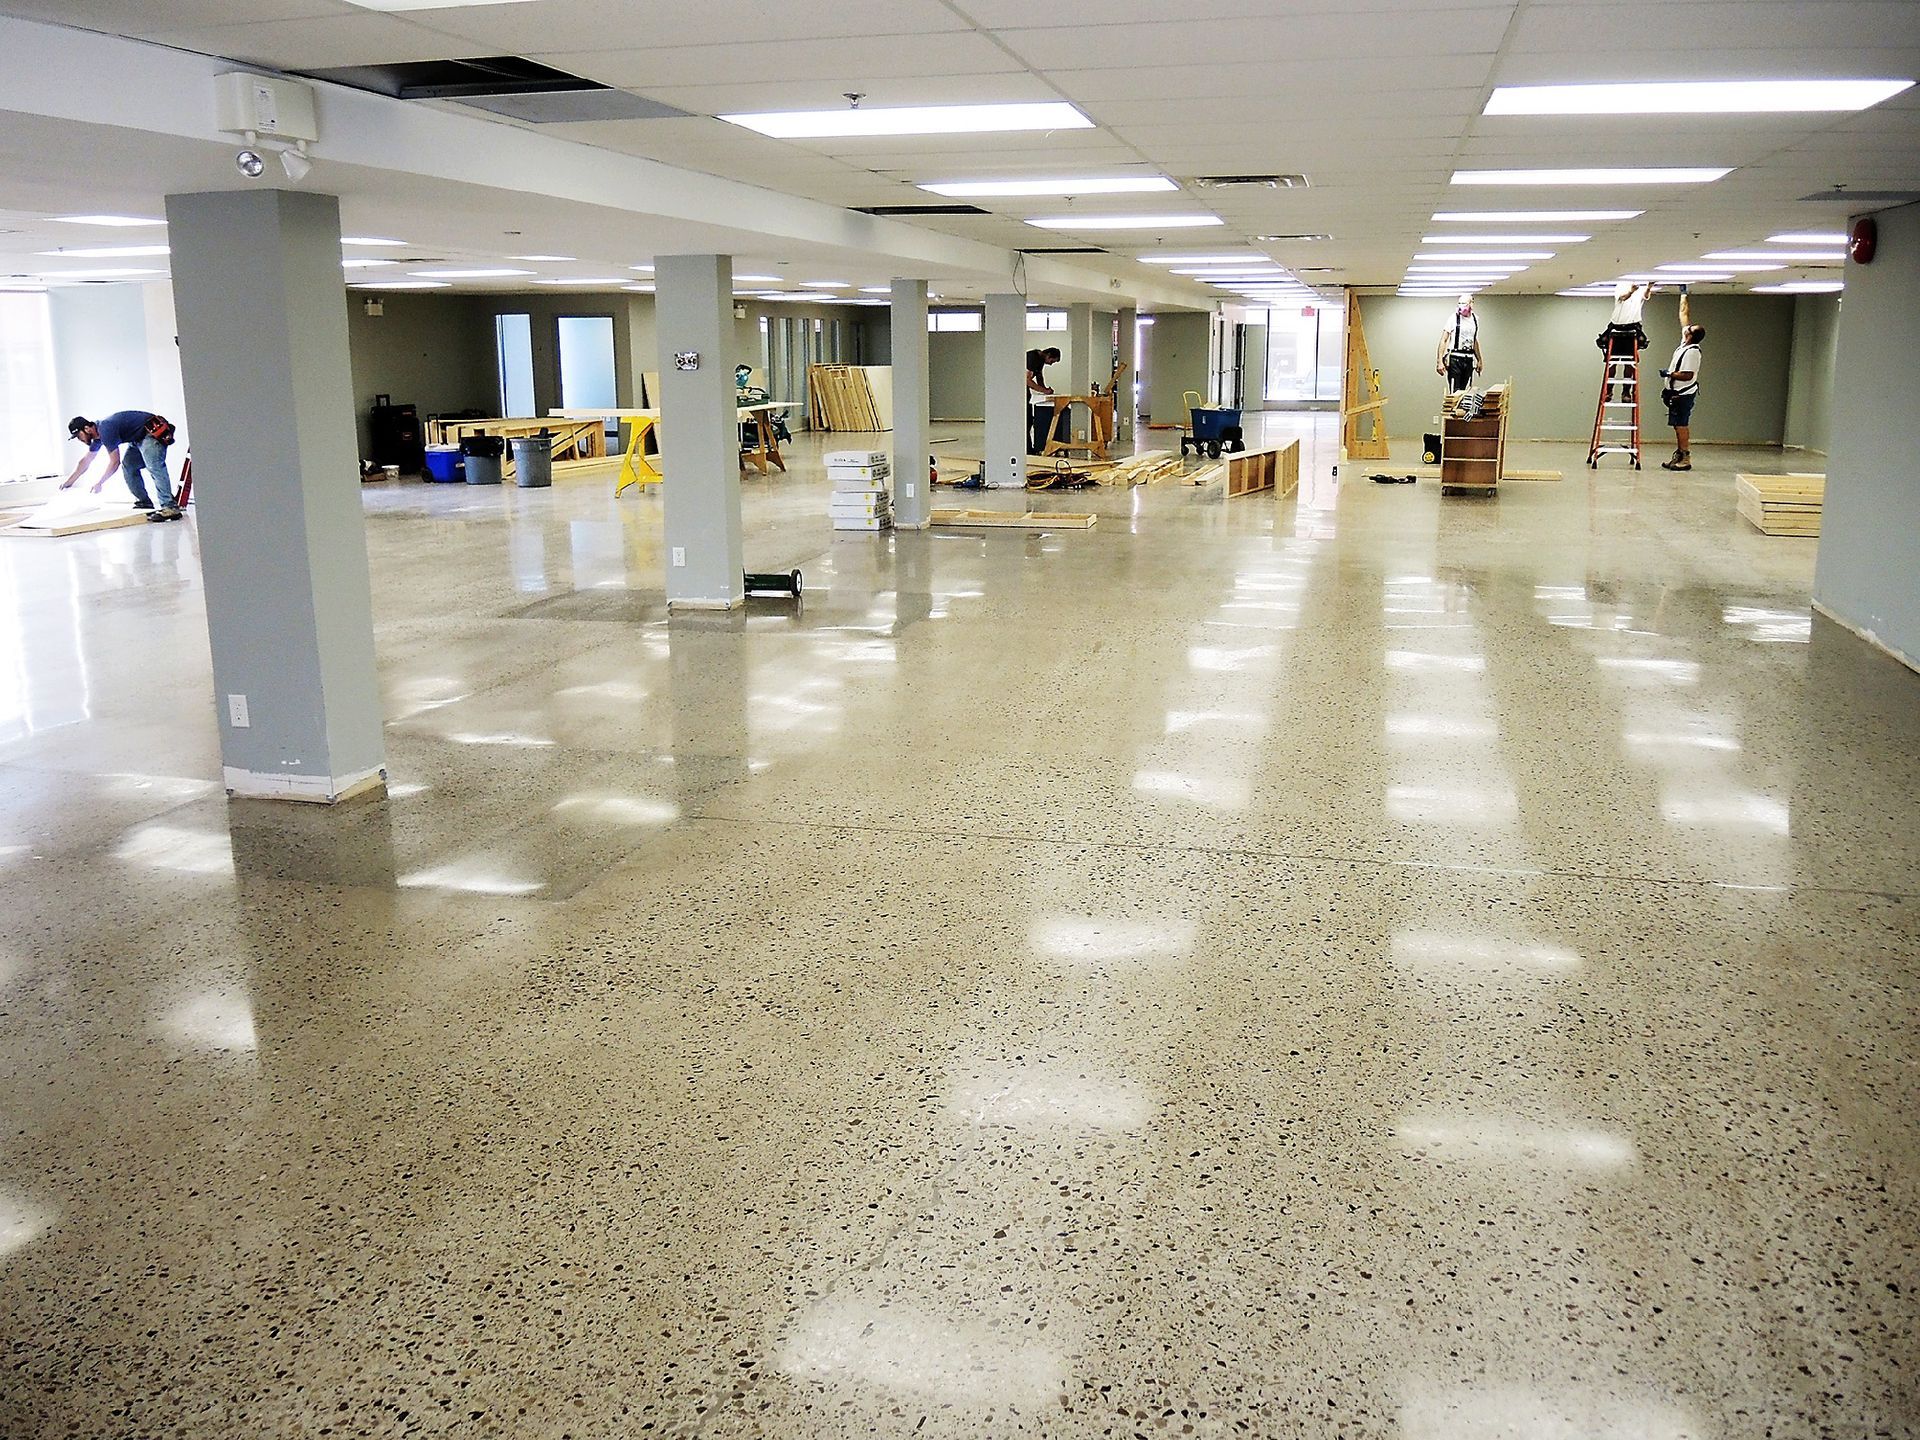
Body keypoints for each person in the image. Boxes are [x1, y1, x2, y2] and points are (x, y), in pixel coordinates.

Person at [61, 411, 182, 520]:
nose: (79, 439)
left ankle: (169, 507)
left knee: (154, 466)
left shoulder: (105, 430)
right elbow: (86, 460)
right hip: (137, 439)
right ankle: (144, 503)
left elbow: (114, 462)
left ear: (87, 429)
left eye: (78, 436)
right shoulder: (98, 437)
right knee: (129, 466)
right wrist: (69, 482)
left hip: (150, 432)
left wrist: (100, 483)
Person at [1659, 295, 1705, 472]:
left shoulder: (1693, 352)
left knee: (1681, 425)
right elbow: (1683, 314)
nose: (1686, 329)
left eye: (1689, 329)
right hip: (1674, 394)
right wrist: (1683, 295)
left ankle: (1685, 456)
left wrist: (1670, 374)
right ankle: (1679, 454)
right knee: (1677, 425)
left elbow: (1687, 375)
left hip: (1683, 395)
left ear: (1692, 336)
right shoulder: (1684, 344)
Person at [1598, 281, 1653, 399]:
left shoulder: (1640, 286)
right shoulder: (1621, 285)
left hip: (1633, 327)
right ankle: (1608, 391)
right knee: (1612, 363)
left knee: (1629, 365)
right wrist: (1631, 291)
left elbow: (1646, 297)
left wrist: (1649, 287)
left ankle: (1626, 392)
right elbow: (1623, 297)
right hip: (1617, 326)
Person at [1434, 296, 1482, 394]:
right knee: (1455, 392)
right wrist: (1440, 361)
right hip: (1455, 359)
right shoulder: (1453, 318)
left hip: (1468, 359)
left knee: (1466, 392)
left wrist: (1479, 360)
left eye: (1464, 303)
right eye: (1459, 303)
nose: (1461, 306)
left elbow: (1474, 340)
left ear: (1471, 304)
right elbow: (1443, 339)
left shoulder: (1475, 319)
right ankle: (1454, 409)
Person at [1026, 345, 1061, 454]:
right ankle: (1028, 449)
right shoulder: (1032, 358)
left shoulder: (1039, 360)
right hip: (1016, 391)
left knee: (1029, 420)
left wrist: (1045, 389)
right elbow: (1027, 381)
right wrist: (1044, 391)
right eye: (1052, 361)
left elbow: (1039, 377)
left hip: (1024, 391)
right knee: (1026, 421)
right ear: (1048, 355)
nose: (1051, 364)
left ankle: (1030, 449)